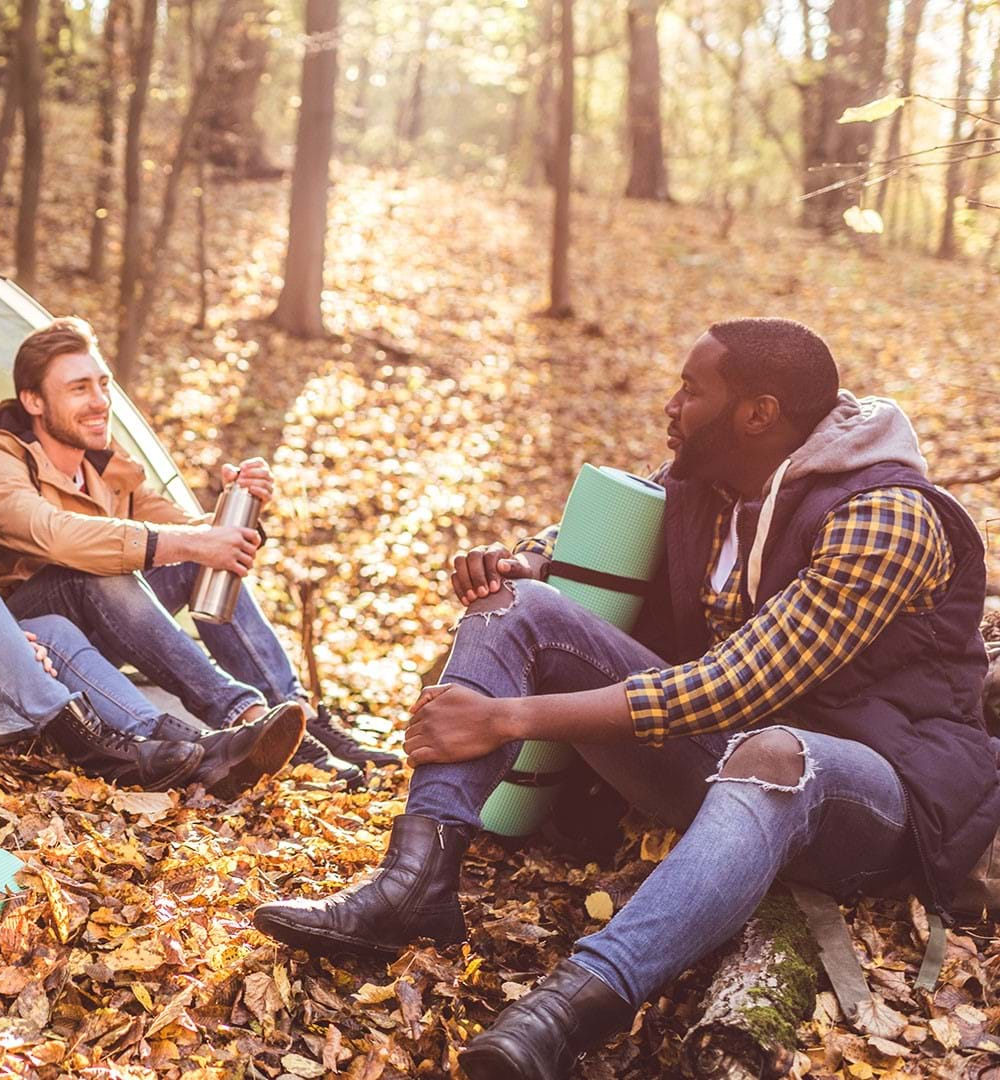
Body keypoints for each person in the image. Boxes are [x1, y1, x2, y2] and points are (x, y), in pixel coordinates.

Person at [251, 319, 1000, 1080]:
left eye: (691, 389)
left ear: (758, 413)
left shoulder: (887, 518)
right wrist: (534, 560)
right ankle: (414, 882)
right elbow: (625, 522)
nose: (671, 406)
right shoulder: (716, 477)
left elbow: (739, 684)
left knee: (775, 754)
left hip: (875, 792)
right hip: (722, 754)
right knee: (514, 604)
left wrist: (507, 716)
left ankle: (572, 1006)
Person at [0, 307, 304, 799]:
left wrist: (233, 512)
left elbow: (186, 532)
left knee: (50, 628)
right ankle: (95, 741)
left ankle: (200, 746)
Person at [0, 316, 397, 790]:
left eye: (103, 384)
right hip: (23, 629)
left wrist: (238, 512)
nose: (100, 402)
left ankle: (300, 720)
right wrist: (193, 541)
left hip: (99, 623)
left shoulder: (105, 465)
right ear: (33, 400)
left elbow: (186, 529)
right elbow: (56, 535)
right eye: (78, 389)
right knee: (102, 564)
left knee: (198, 557)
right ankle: (244, 712)